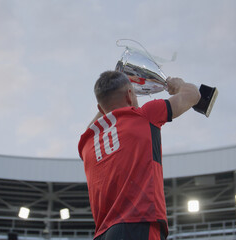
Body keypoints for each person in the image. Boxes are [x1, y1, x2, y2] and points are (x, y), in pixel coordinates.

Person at [78, 70, 200, 240]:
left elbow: (92, 127)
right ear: (129, 95)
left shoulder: (87, 144)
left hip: (102, 234)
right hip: (138, 224)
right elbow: (193, 94)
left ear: (100, 109)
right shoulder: (145, 115)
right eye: (134, 93)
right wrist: (179, 85)